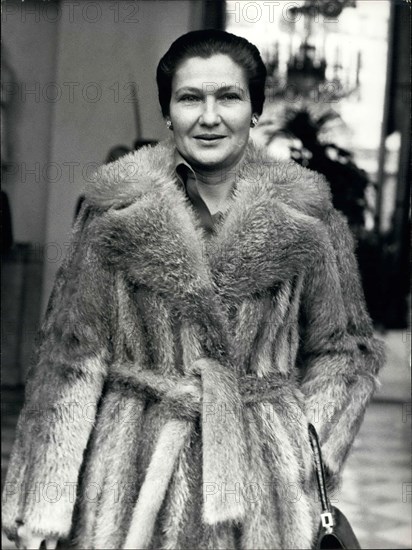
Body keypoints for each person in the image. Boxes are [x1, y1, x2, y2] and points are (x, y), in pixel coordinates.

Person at [2, 29, 385, 550]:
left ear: (254, 110)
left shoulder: (309, 216)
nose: (209, 117)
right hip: (131, 478)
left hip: (262, 488)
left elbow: (345, 351)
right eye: (190, 98)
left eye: (228, 96)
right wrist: (44, 497)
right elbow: (72, 357)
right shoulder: (113, 210)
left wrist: (300, 453)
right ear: (168, 113)